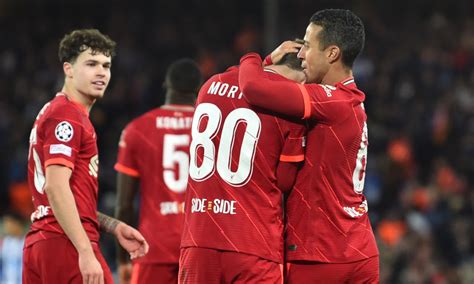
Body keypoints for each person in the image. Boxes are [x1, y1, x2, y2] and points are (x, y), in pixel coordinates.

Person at [239, 9, 379, 283]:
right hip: (360, 249)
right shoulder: (352, 101)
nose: (301, 54)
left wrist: (254, 57)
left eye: (307, 45)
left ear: (332, 54)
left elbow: (252, 87)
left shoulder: (329, 101)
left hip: (320, 254)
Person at [22, 29, 149, 284]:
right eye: (91, 64)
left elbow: (67, 196)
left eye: (106, 65)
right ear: (68, 69)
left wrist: (113, 227)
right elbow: (56, 187)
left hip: (43, 242)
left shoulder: (56, 111)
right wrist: (85, 250)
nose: (101, 72)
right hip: (64, 243)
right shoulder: (66, 116)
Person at [179, 50, 307, 283]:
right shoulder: (288, 104)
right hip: (253, 242)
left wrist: (265, 60)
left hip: (198, 239)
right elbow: (286, 180)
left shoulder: (211, 84)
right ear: (304, 73)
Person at [114, 58, 202, 284]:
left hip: (153, 246)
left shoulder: (137, 130)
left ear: (166, 85)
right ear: (198, 89)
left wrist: (123, 259)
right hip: (200, 245)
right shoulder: (211, 128)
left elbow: (124, 205)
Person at [0, 211, 27, 284]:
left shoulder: (28, 242)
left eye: (8, 223)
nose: (6, 226)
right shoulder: (5, 243)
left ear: (17, 223)